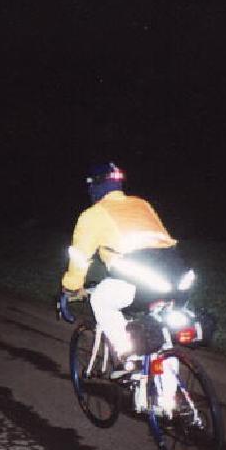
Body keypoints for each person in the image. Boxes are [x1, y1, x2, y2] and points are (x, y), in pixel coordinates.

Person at [60, 162, 179, 410]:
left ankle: (127, 356)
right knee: (161, 336)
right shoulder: (141, 203)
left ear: (94, 187)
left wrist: (70, 288)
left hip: (140, 280)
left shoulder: (93, 215)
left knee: (100, 299)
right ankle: (168, 402)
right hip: (174, 276)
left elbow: (80, 259)